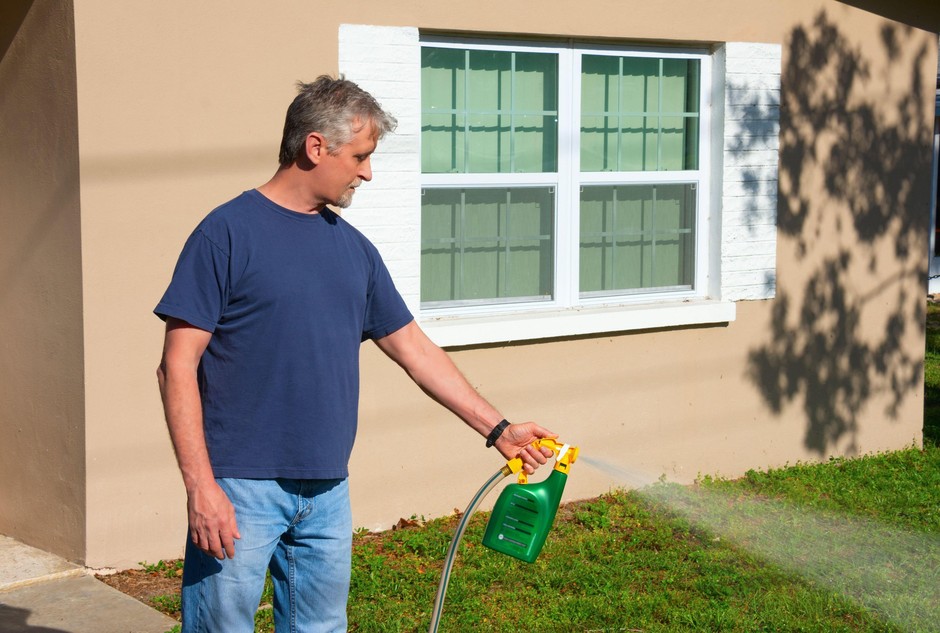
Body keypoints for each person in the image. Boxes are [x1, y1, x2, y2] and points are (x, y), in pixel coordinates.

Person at [155, 75, 557, 633]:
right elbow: (176, 365)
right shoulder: (226, 234)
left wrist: (499, 429)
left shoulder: (352, 249)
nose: (367, 171)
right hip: (239, 487)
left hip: (326, 487)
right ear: (315, 147)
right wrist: (202, 488)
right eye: (361, 156)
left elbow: (413, 347)